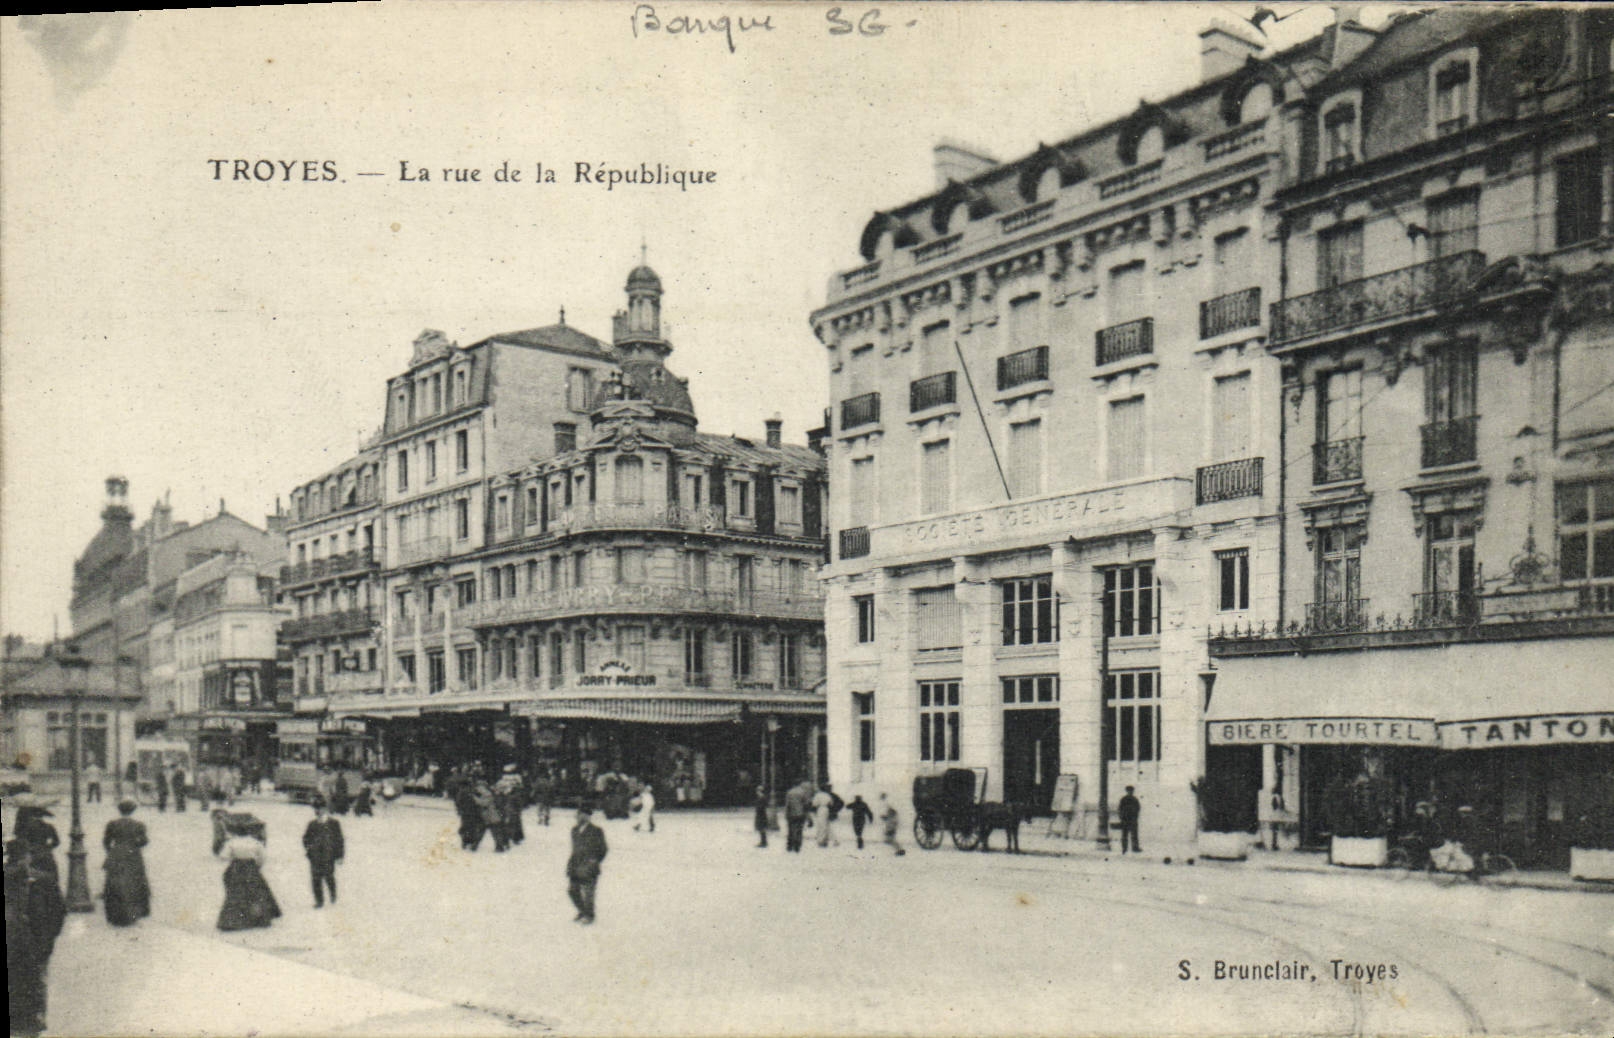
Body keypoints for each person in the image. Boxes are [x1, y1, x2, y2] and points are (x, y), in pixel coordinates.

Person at [6, 817, 67, 1038]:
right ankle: (35, 1020)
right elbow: (58, 912)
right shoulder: (45, 879)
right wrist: (48, 940)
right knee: (37, 985)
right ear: (26, 856)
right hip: (35, 945)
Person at [217, 817, 280, 931]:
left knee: (235, 894)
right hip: (251, 868)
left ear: (237, 832)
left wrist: (233, 857)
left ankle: (234, 921)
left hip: (236, 868)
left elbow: (223, 856)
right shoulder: (255, 842)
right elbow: (263, 857)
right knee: (255, 894)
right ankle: (257, 919)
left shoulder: (232, 842)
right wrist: (257, 866)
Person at [101, 799, 151, 926]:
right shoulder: (138, 825)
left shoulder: (112, 824)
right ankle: (133, 913)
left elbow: (106, 841)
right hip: (133, 855)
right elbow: (144, 841)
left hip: (116, 854)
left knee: (115, 884)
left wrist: (112, 852)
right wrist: (134, 845)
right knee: (134, 883)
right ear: (132, 811)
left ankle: (115, 915)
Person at [565, 806, 608, 925]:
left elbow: (603, 849)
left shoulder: (596, 830)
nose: (578, 817)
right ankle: (582, 911)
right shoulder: (574, 830)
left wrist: (594, 860)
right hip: (575, 865)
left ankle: (589, 915)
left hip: (589, 866)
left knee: (588, 893)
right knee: (572, 891)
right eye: (577, 815)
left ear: (588, 817)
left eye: (581, 815)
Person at [302, 797, 345, 909]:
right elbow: (305, 838)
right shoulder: (312, 824)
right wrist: (309, 848)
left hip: (329, 856)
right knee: (315, 879)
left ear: (325, 809)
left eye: (320, 808)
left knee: (329, 876)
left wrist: (340, 856)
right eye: (316, 809)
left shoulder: (334, 823)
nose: (318, 811)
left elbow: (339, 840)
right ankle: (319, 901)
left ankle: (332, 893)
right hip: (315, 856)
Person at [494, 764, 526, 846]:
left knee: (505, 821)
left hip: (503, 805)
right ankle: (515, 837)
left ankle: (506, 838)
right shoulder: (517, 781)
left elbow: (496, 792)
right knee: (515, 821)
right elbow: (520, 794)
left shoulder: (500, 782)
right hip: (513, 805)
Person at [783, 779, 813, 853]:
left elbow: (787, 804)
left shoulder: (789, 792)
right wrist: (809, 818)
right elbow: (806, 805)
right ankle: (797, 845)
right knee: (799, 830)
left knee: (790, 830)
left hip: (791, 814)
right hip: (800, 814)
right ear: (799, 784)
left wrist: (786, 814)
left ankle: (790, 846)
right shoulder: (803, 792)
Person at [813, 783, 843, 848]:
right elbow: (831, 803)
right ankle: (834, 840)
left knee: (821, 825)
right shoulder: (828, 795)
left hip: (820, 809)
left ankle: (822, 841)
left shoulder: (818, 795)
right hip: (827, 809)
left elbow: (814, 804)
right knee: (827, 825)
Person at [1117, 786, 1142, 854]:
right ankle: (1124, 848)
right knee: (1125, 835)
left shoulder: (1134, 799)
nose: (1130, 792)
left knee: (1134, 834)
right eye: (1129, 791)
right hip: (1126, 819)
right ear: (1127, 791)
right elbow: (1120, 809)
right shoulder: (1124, 799)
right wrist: (1121, 817)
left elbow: (1138, 808)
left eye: (1131, 791)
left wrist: (1135, 816)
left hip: (1132, 819)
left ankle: (1134, 848)